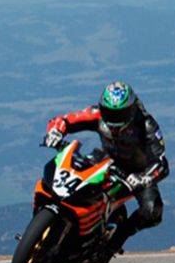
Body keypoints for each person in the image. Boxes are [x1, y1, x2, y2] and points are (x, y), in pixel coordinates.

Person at [44, 81, 168, 251]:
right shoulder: (97, 114)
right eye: (109, 112)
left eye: (119, 114)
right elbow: (66, 120)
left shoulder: (147, 125)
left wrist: (144, 178)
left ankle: (116, 240)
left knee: (152, 211)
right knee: (70, 174)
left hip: (136, 173)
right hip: (105, 160)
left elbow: (161, 163)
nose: (113, 119)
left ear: (132, 110)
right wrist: (56, 132)